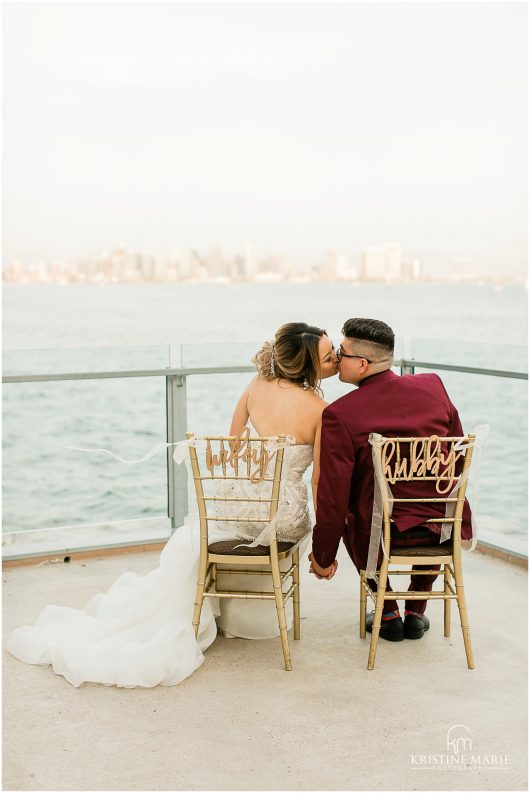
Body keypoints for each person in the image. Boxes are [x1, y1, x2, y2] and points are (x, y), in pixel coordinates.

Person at [7, 323, 337, 687]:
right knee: (297, 516)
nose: (336, 358)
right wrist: (325, 538)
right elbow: (319, 481)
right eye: (328, 355)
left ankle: (223, 607)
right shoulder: (321, 411)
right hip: (279, 517)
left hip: (236, 507)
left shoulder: (256, 387)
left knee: (220, 525)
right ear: (308, 366)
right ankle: (253, 615)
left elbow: (231, 448)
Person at [309, 317, 472, 642]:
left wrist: (322, 555)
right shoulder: (433, 386)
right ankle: (416, 610)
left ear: (362, 363)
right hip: (441, 528)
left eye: (342, 352)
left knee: (353, 512)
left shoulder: (340, 414)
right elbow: (458, 454)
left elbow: (332, 496)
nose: (338, 359)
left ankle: (387, 610)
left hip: (378, 538)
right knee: (434, 501)